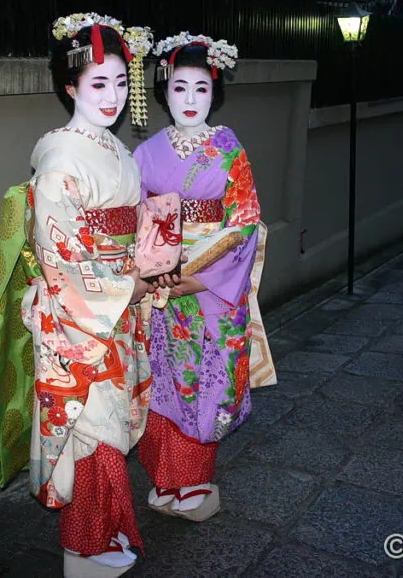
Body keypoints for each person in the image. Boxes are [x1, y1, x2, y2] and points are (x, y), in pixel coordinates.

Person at [0, 12, 158, 577]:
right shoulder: (61, 157)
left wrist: (154, 250)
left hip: (114, 305)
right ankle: (84, 550)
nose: (113, 97)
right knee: (90, 434)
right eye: (98, 84)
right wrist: (132, 282)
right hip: (80, 315)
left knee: (110, 427)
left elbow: (128, 226)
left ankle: (100, 537)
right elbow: (62, 255)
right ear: (69, 86)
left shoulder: (116, 151)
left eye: (122, 83)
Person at [133, 32, 266, 522]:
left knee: (202, 384)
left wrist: (199, 278)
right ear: (163, 93)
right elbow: (135, 220)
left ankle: (195, 482)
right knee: (162, 380)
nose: (190, 100)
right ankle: (167, 479)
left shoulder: (229, 150)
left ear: (216, 92)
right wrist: (150, 272)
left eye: (201, 89)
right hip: (160, 288)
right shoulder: (145, 154)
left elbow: (245, 223)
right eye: (180, 89)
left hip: (211, 288)